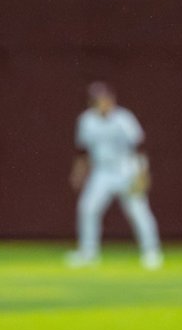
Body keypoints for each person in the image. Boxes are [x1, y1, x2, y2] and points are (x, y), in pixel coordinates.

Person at [67, 82, 163, 269]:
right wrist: (78, 173)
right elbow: (82, 151)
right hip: (102, 171)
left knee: (138, 211)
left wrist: (143, 174)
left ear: (111, 99)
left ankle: (152, 252)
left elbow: (140, 147)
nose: (102, 103)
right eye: (97, 100)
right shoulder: (86, 121)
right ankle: (88, 253)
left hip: (126, 169)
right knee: (87, 208)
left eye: (104, 99)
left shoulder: (123, 119)